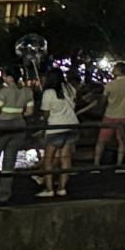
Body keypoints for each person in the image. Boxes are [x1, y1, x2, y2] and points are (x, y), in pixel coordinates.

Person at [0, 70, 36, 204]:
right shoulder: (27, 92)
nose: (3, 78)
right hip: (19, 125)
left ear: (10, 77)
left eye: (5, 76)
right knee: (9, 161)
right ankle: (4, 194)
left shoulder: (4, 92)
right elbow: (29, 111)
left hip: (2, 126)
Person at [37, 68, 79, 198]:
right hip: (71, 126)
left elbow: (45, 112)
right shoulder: (70, 89)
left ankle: (49, 189)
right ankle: (62, 188)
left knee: (48, 160)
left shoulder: (49, 92)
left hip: (55, 128)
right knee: (65, 158)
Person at [94, 62, 125, 170]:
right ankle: (119, 164)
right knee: (122, 141)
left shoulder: (110, 85)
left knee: (101, 140)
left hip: (110, 114)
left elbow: (103, 99)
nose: (112, 70)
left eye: (114, 69)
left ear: (119, 70)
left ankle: (96, 163)